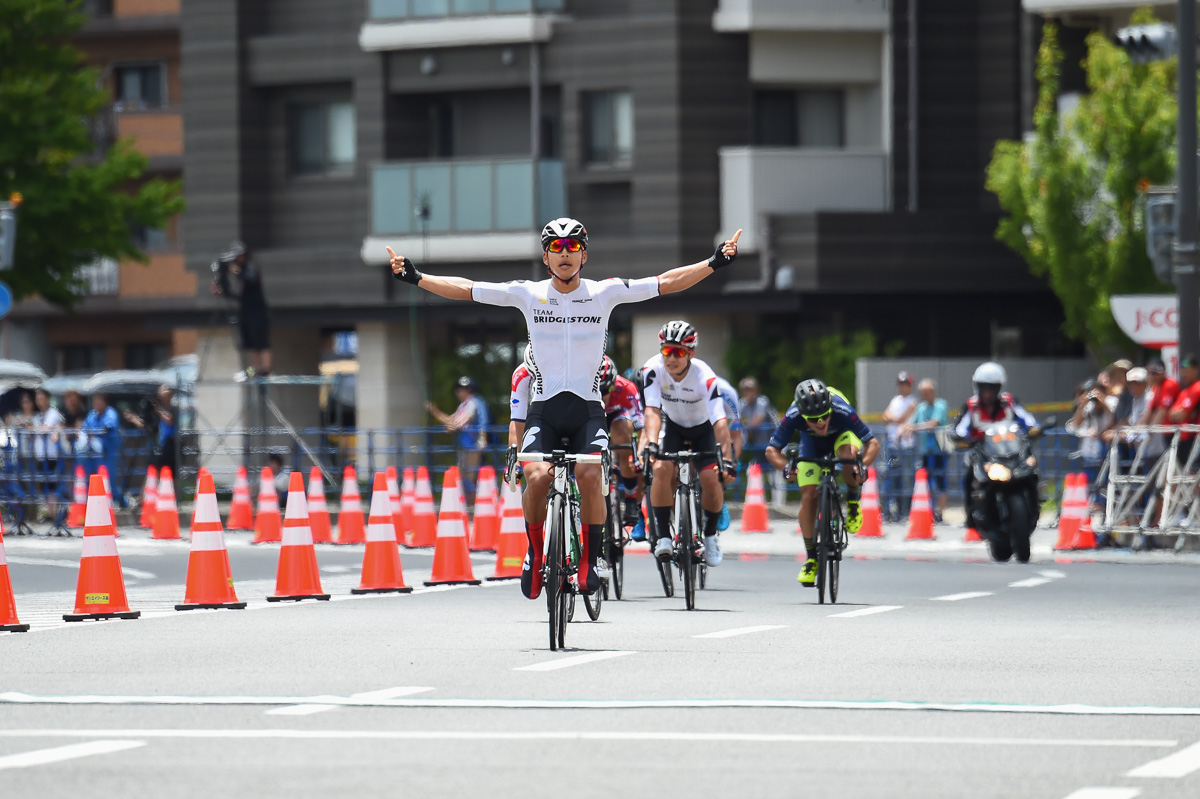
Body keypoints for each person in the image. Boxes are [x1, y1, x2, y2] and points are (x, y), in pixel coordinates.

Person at [387, 217, 742, 599]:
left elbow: (665, 282)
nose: (565, 253)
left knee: (591, 478)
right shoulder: (528, 294)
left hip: (588, 409)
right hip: (545, 410)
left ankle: (590, 559)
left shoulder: (604, 292)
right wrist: (417, 276)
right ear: (546, 257)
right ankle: (535, 554)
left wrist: (714, 262)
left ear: (584, 254)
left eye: (572, 246)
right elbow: (468, 289)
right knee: (537, 479)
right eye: (556, 247)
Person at [638, 321, 735, 568]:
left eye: (678, 352)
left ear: (690, 353)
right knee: (660, 470)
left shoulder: (705, 376)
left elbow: (720, 422)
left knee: (711, 478)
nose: (671, 358)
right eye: (666, 351)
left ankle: (711, 536)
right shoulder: (653, 369)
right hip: (673, 427)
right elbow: (651, 411)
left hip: (703, 429)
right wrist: (650, 442)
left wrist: (727, 458)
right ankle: (663, 536)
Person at [764, 379, 879, 587]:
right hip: (811, 444)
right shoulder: (793, 414)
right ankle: (810, 558)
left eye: (825, 416)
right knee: (808, 496)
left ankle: (853, 502)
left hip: (842, 436)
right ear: (802, 415)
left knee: (848, 457)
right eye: (813, 419)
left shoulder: (841, 409)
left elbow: (872, 443)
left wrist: (861, 465)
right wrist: (786, 467)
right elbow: (771, 450)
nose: (820, 422)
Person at [952, 362, 1038, 525]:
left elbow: (1027, 419)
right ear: (977, 387)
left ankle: (1034, 504)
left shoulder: (1009, 402)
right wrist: (960, 437)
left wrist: (1034, 429)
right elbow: (960, 428)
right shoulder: (971, 406)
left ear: (1000, 387)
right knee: (969, 475)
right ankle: (971, 514)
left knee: (1032, 469)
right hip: (983, 453)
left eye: (992, 388)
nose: (987, 392)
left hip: (1011, 450)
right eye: (983, 387)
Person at [212, 240, 272, 380]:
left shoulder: (250, 267)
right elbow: (236, 295)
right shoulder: (239, 269)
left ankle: (266, 370)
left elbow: (251, 280)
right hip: (245, 310)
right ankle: (255, 370)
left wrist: (237, 272)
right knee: (249, 342)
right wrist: (222, 288)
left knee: (261, 342)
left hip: (258, 311)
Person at [599, 355, 645, 531]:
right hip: (594, 417)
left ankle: (631, 499)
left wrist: (640, 452)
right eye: (598, 391)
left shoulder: (626, 388)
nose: (603, 396)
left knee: (622, 436)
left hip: (618, 416)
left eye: (606, 390)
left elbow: (640, 424)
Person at [427, 375, 490, 494]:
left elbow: (462, 421)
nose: (459, 392)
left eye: (462, 389)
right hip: (464, 445)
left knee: (470, 476)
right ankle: (467, 505)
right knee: (462, 476)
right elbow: (452, 420)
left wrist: (453, 426)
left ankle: (473, 506)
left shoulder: (474, 402)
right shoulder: (463, 405)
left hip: (473, 444)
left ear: (469, 390)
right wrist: (434, 410)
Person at [904, 378, 949, 524]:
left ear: (933, 392)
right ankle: (928, 512)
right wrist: (909, 427)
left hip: (939, 450)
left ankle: (940, 513)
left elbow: (933, 423)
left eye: (927, 392)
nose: (925, 395)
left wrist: (915, 427)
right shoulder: (921, 407)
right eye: (922, 392)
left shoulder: (941, 405)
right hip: (924, 451)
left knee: (940, 481)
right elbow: (911, 422)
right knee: (925, 482)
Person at [880, 371, 918, 523]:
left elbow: (902, 417)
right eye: (900, 384)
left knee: (907, 477)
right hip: (893, 444)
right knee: (891, 476)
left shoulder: (913, 401)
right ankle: (890, 510)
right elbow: (885, 416)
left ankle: (905, 510)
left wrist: (893, 419)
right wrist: (894, 419)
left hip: (906, 445)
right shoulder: (895, 400)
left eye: (905, 384)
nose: (902, 387)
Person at [122, 385, 178, 475]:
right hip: (158, 444)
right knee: (154, 469)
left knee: (168, 472)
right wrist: (134, 419)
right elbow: (147, 427)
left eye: (162, 396)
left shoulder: (171, 409)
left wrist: (157, 408)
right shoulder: (157, 413)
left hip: (170, 445)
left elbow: (169, 420)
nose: (160, 398)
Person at [83, 392, 125, 508]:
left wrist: (94, 432)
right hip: (94, 454)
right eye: (95, 401)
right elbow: (85, 427)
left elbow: (108, 427)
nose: (97, 403)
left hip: (109, 453)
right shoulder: (92, 414)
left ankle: (120, 502)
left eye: (99, 400)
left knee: (110, 479)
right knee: (93, 479)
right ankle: (97, 505)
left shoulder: (111, 413)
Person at [712, 374, 743, 532]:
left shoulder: (726, 392)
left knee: (723, 460)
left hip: (719, 424)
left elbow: (736, 435)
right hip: (694, 420)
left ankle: (720, 496)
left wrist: (731, 460)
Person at [32, 388, 66, 520]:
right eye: (38, 399)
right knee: (44, 485)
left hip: (52, 455)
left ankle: (56, 514)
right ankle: (51, 514)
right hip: (41, 454)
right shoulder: (38, 415)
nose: (40, 401)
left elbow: (45, 428)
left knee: (53, 485)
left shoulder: (53, 413)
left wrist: (35, 429)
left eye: (42, 398)